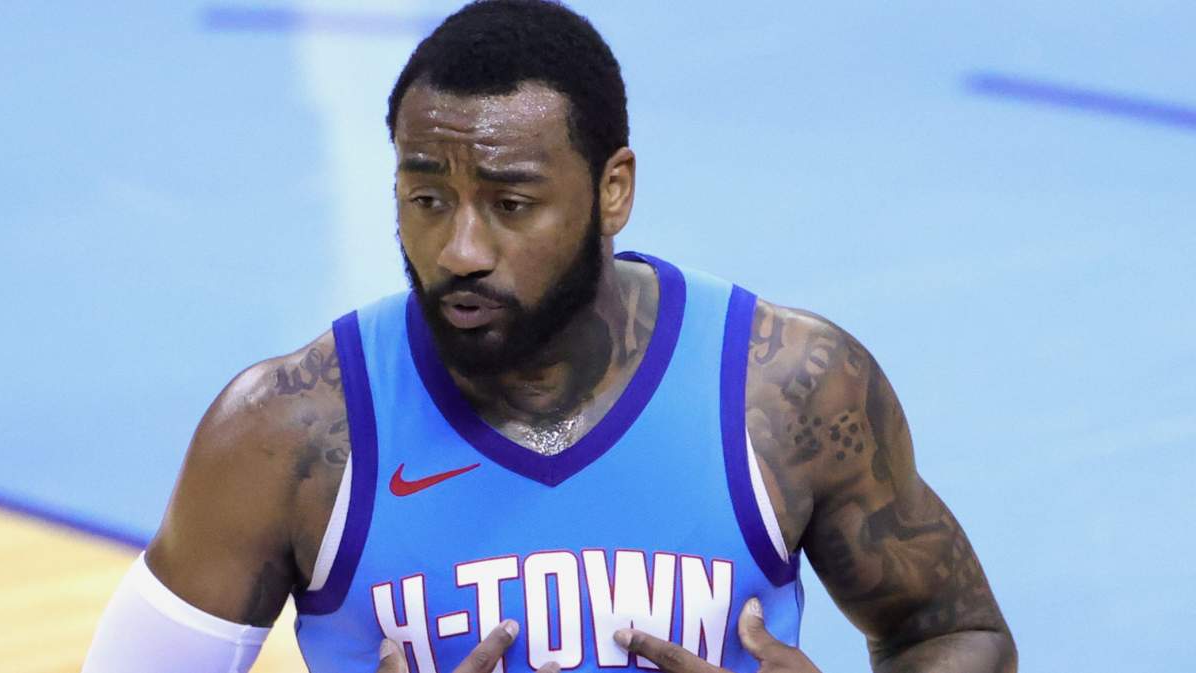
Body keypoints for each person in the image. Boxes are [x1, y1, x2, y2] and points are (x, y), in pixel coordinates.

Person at [82, 1, 1015, 672]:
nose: (461, 250)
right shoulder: (285, 432)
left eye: (511, 204)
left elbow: (956, 634)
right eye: (426, 198)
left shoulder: (788, 389)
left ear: (613, 190)